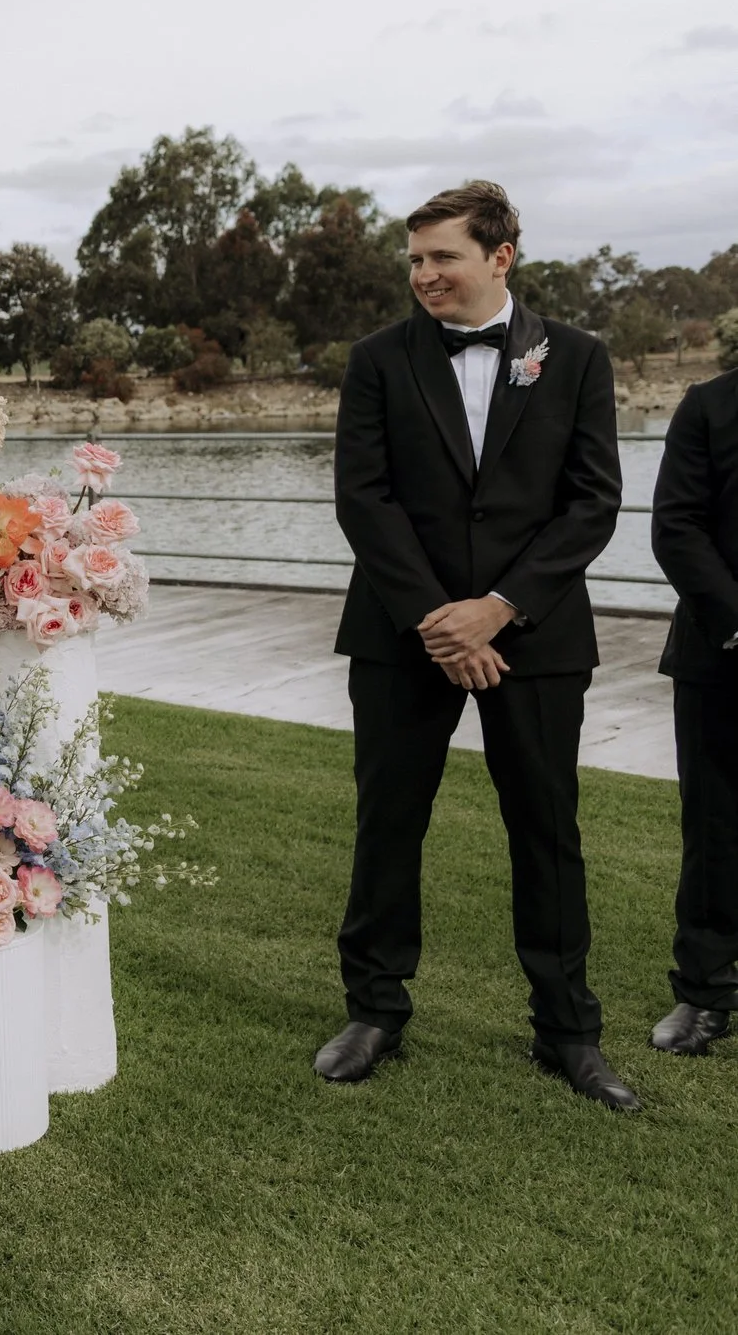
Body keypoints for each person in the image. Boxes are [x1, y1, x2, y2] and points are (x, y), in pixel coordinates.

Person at [318, 180, 635, 1110]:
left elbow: (593, 502)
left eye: (442, 257)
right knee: (388, 824)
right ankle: (374, 1009)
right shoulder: (377, 360)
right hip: (399, 631)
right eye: (415, 260)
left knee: (547, 830)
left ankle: (567, 1030)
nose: (424, 275)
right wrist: (440, 621)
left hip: (532, 637)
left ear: (500, 257)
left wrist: (498, 608)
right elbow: (362, 500)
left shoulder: (576, 357)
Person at [647, 360, 738, 1057]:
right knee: (715, 831)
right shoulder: (708, 406)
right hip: (722, 653)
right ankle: (705, 996)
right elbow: (677, 527)